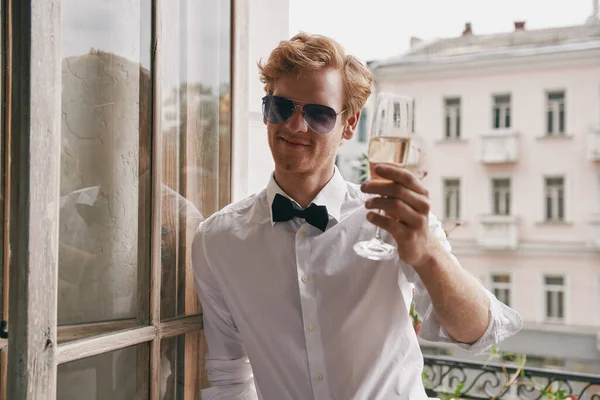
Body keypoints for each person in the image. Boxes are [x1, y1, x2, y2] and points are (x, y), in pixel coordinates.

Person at [191, 32, 522, 400]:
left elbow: (479, 333)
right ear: (267, 111)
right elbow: (228, 380)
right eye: (282, 107)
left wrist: (428, 255)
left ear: (349, 125)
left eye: (318, 114)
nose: (296, 126)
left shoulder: (399, 220)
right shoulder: (216, 241)